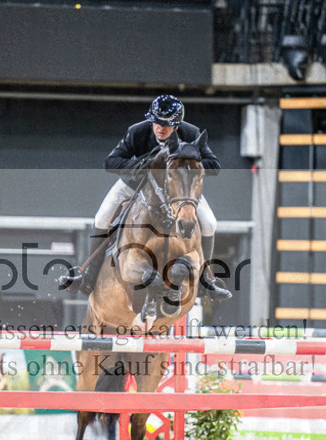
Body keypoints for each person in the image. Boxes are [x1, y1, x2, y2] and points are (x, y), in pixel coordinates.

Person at [58, 95, 231, 300]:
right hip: (136, 185)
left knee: (210, 223)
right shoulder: (137, 131)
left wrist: (190, 159)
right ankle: (88, 276)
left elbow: (214, 166)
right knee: (102, 217)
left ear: (177, 125)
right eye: (156, 122)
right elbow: (111, 161)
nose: (159, 128)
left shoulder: (191, 134)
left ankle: (205, 281)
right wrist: (137, 166)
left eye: (166, 125)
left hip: (179, 190)